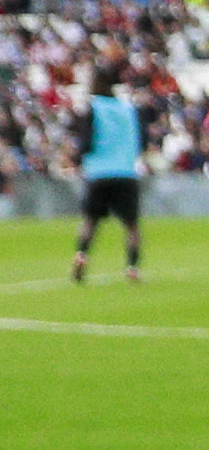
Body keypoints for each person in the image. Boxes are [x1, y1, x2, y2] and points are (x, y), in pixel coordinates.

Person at [69, 60, 145, 284]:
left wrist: (77, 156)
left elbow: (87, 142)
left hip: (99, 173)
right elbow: (140, 140)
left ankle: (82, 255)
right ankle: (132, 268)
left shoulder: (94, 108)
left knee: (91, 221)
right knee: (131, 225)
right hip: (126, 172)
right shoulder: (129, 109)